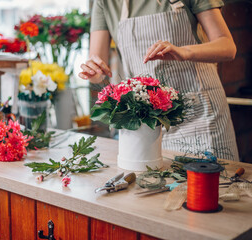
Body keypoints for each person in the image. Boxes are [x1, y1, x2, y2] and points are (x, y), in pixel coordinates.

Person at [79, 0, 239, 161]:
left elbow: (227, 47)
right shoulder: (105, 3)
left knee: (213, 182)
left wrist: (183, 52)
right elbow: (98, 70)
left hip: (200, 114)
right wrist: (93, 71)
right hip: (146, 121)